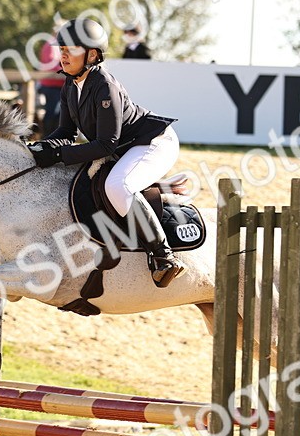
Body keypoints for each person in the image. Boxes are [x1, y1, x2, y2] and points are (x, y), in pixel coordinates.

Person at [27, 18, 183, 287]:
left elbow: (105, 144)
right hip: (126, 147)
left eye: (70, 50)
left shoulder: (103, 84)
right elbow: (65, 133)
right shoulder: (70, 85)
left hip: (153, 143)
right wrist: (38, 148)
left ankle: (163, 255)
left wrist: (59, 156)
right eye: (61, 49)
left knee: (117, 186)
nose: (62, 55)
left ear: (92, 54)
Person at [36, 23, 65, 133]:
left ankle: (51, 136)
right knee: (52, 112)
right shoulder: (51, 45)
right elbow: (51, 65)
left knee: (57, 112)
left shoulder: (57, 45)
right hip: (51, 85)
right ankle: (47, 137)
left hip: (56, 85)